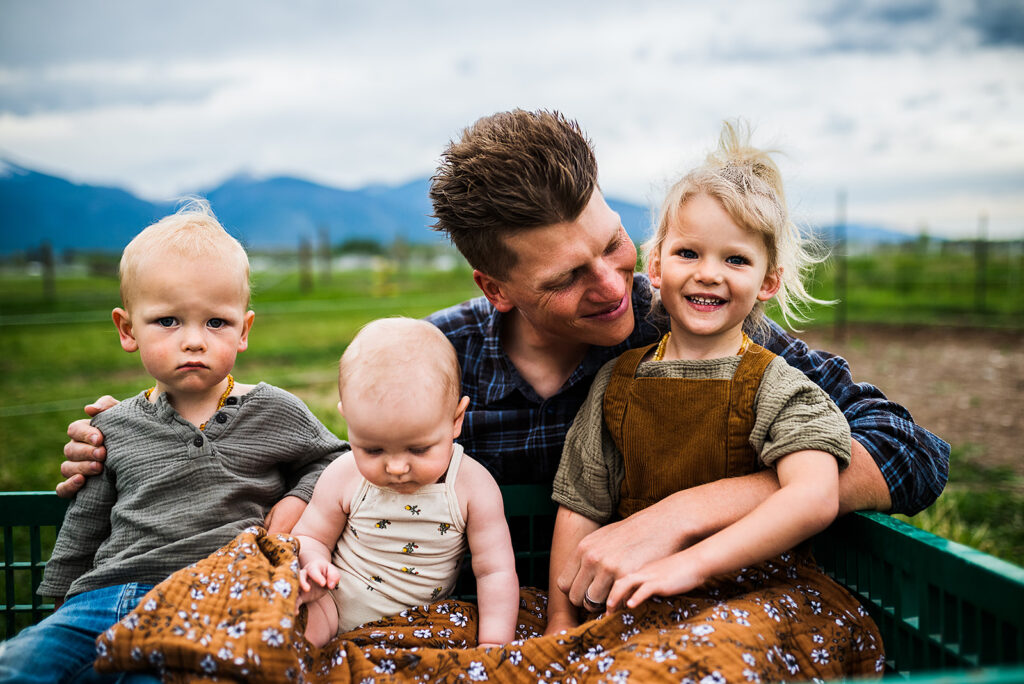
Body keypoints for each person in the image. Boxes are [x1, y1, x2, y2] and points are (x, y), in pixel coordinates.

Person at [59, 108, 950, 619]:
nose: (613, 287)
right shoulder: (435, 362)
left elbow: (909, 449)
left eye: (613, 244)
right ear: (496, 288)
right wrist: (153, 435)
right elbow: (332, 467)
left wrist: (691, 509)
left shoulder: (691, 327)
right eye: (569, 278)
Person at [0, 201, 346, 683]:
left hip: (219, 597)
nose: (193, 341)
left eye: (216, 323)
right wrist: (63, 607)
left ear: (244, 331)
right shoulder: (115, 425)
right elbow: (85, 522)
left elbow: (338, 460)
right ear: (127, 329)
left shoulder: (274, 410)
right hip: (106, 598)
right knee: (22, 666)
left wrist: (295, 500)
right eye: (168, 321)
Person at [546, 120, 860, 636]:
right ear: (656, 264)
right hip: (635, 600)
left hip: (752, 601)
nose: (709, 272)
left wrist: (688, 565)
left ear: (768, 281)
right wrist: (561, 618)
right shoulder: (617, 383)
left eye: (736, 259)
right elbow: (580, 503)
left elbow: (814, 497)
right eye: (688, 252)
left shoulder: (776, 385)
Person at [292, 317, 518, 649]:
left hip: (427, 623)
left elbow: (494, 572)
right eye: (373, 449)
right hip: (334, 607)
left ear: (456, 420)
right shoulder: (344, 474)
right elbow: (310, 536)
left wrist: (494, 645)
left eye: (418, 449)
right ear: (348, 422)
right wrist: (314, 567)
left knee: (450, 646)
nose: (397, 467)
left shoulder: (471, 486)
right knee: (295, 640)